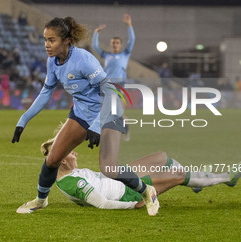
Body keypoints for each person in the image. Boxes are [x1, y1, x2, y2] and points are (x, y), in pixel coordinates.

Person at [12, 17, 159, 216]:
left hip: (108, 113)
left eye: (51, 40)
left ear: (66, 40)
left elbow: (109, 91)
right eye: (45, 40)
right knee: (53, 158)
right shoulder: (53, 62)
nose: (47, 45)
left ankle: (147, 191)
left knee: (108, 168)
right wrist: (23, 120)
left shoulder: (84, 59)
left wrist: (97, 126)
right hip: (81, 114)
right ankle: (40, 200)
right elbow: (46, 91)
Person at [31, 137, 241, 210]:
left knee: (162, 157)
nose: (74, 151)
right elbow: (101, 203)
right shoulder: (70, 182)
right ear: (60, 160)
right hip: (128, 193)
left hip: (119, 178)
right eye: (70, 151)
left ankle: (196, 181)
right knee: (178, 176)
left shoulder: (69, 172)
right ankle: (227, 177)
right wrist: (134, 204)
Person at [92, 13, 135, 141]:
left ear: (120, 44)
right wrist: (96, 33)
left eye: (117, 42)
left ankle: (126, 130)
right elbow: (95, 46)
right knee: (102, 110)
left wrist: (129, 26)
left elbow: (132, 41)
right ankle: (100, 132)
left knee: (118, 111)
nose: (115, 44)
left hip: (119, 85)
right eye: (113, 42)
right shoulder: (106, 55)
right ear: (111, 44)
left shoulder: (125, 54)